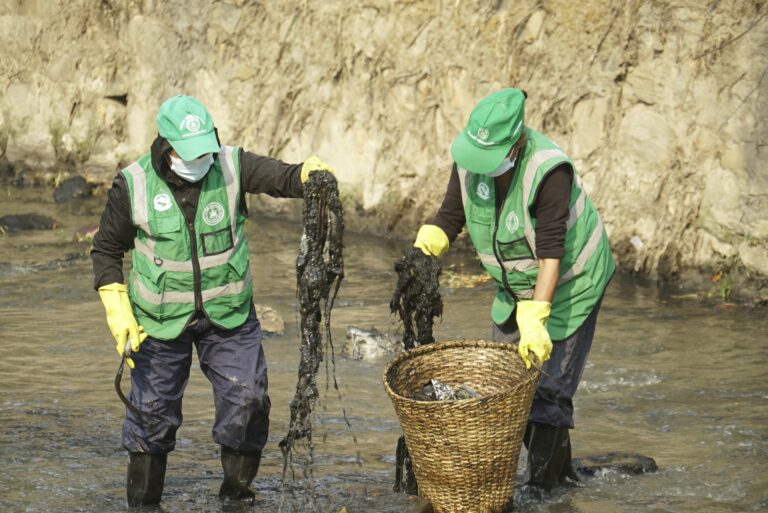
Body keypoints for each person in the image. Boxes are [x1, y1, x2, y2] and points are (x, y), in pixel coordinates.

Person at [91, 95, 334, 506]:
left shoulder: (232, 165)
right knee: (151, 415)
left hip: (229, 316)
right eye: (190, 152)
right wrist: (117, 307)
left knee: (248, 399)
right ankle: (144, 505)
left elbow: (283, 178)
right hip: (158, 323)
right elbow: (106, 250)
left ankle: (236, 499)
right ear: (166, 147)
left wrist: (309, 174)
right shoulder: (133, 184)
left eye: (205, 148)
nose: (200, 158)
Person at [413, 88, 614, 496]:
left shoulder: (548, 172)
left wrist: (537, 318)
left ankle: (542, 491)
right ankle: (563, 476)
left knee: (549, 391)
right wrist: (427, 246)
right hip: (516, 285)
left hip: (572, 282)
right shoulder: (469, 158)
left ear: (517, 142)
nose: (480, 166)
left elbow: (551, 253)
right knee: (505, 387)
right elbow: (451, 214)